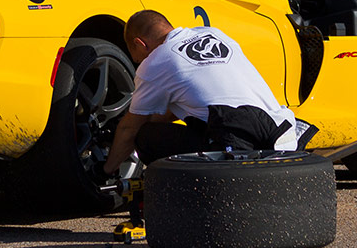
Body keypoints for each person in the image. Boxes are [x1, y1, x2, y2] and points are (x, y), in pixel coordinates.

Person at [102, 9, 301, 175]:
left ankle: (184, 198)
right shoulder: (214, 34)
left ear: (139, 43)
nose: (137, 62)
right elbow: (189, 101)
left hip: (238, 139)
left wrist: (105, 171)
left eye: (135, 55)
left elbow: (129, 130)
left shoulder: (155, 63)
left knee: (145, 136)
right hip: (282, 130)